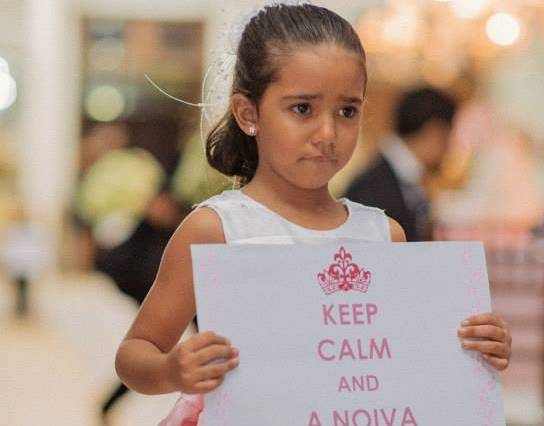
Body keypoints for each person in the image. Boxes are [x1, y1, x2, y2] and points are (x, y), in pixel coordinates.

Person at [114, 4, 512, 425]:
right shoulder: (217, 229)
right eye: (302, 108)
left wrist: (473, 349)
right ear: (249, 113)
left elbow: (398, 357)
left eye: (347, 111)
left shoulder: (383, 234)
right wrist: (172, 369)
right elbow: (135, 352)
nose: (327, 134)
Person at [345, 86, 456, 241]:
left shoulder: (399, 178)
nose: (451, 147)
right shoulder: (373, 187)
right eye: (450, 135)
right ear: (434, 131)